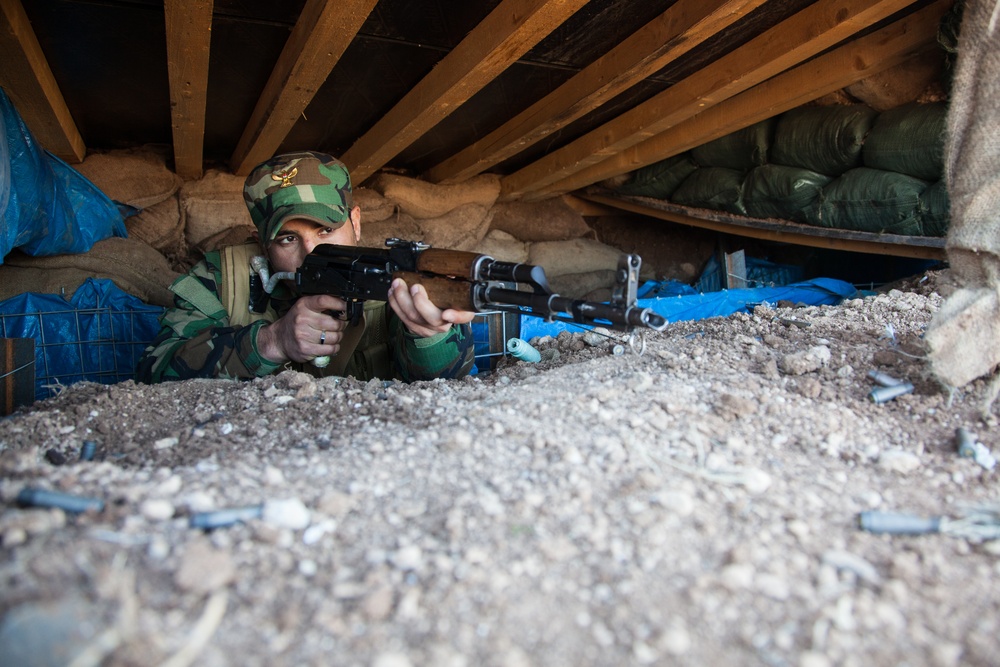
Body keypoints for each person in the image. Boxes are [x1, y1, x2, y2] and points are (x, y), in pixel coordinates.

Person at [136, 151, 477, 383]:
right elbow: (153, 372)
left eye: (326, 230)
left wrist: (429, 338)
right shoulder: (222, 277)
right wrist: (270, 342)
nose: (312, 251)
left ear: (355, 222)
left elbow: (447, 385)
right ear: (262, 243)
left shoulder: (394, 276)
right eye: (287, 239)